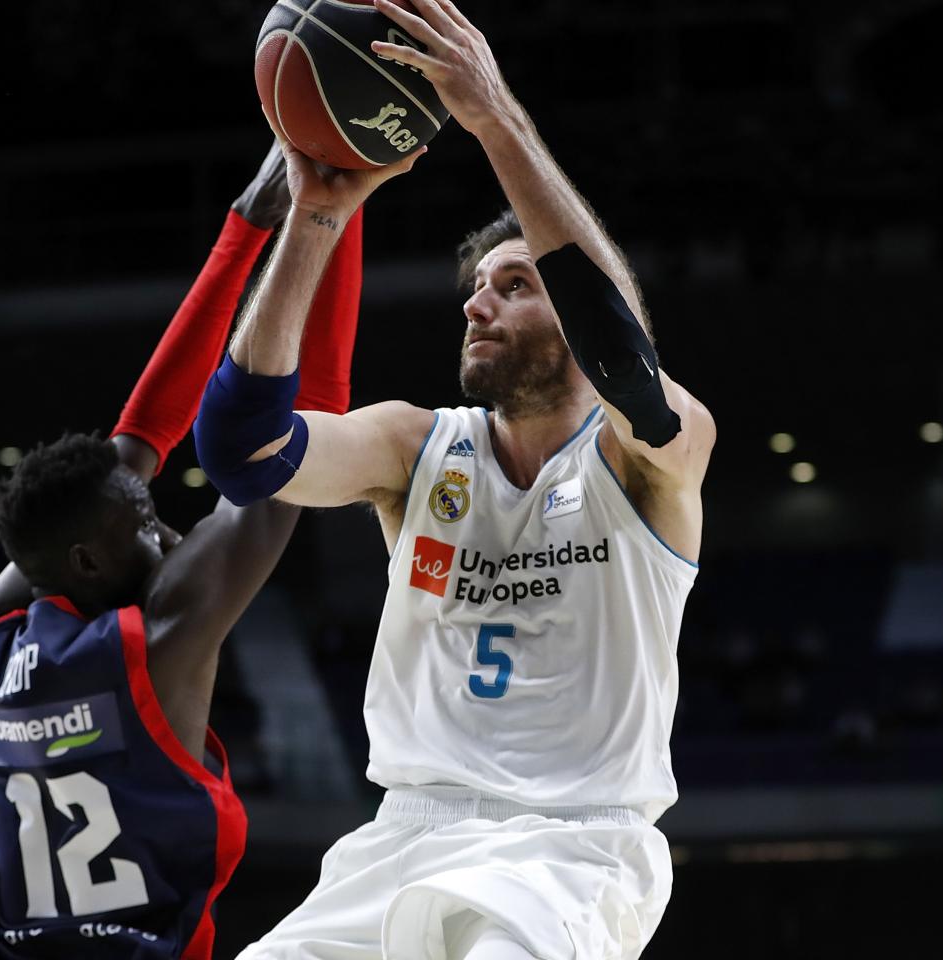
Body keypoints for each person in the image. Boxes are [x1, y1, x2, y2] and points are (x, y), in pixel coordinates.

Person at [192, 2, 716, 958]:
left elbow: (625, 358)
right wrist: (316, 216)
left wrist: (495, 119)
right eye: (476, 287)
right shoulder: (414, 447)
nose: (478, 303)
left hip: (572, 850)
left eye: (515, 284)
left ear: (575, 312)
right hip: (401, 838)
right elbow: (241, 450)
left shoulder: (653, 453)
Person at [0, 143, 394, 960]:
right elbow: (304, 440)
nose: (167, 529)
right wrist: (332, 209)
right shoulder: (161, 639)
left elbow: (133, 449)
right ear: (88, 562)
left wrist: (251, 222)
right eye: (146, 523)